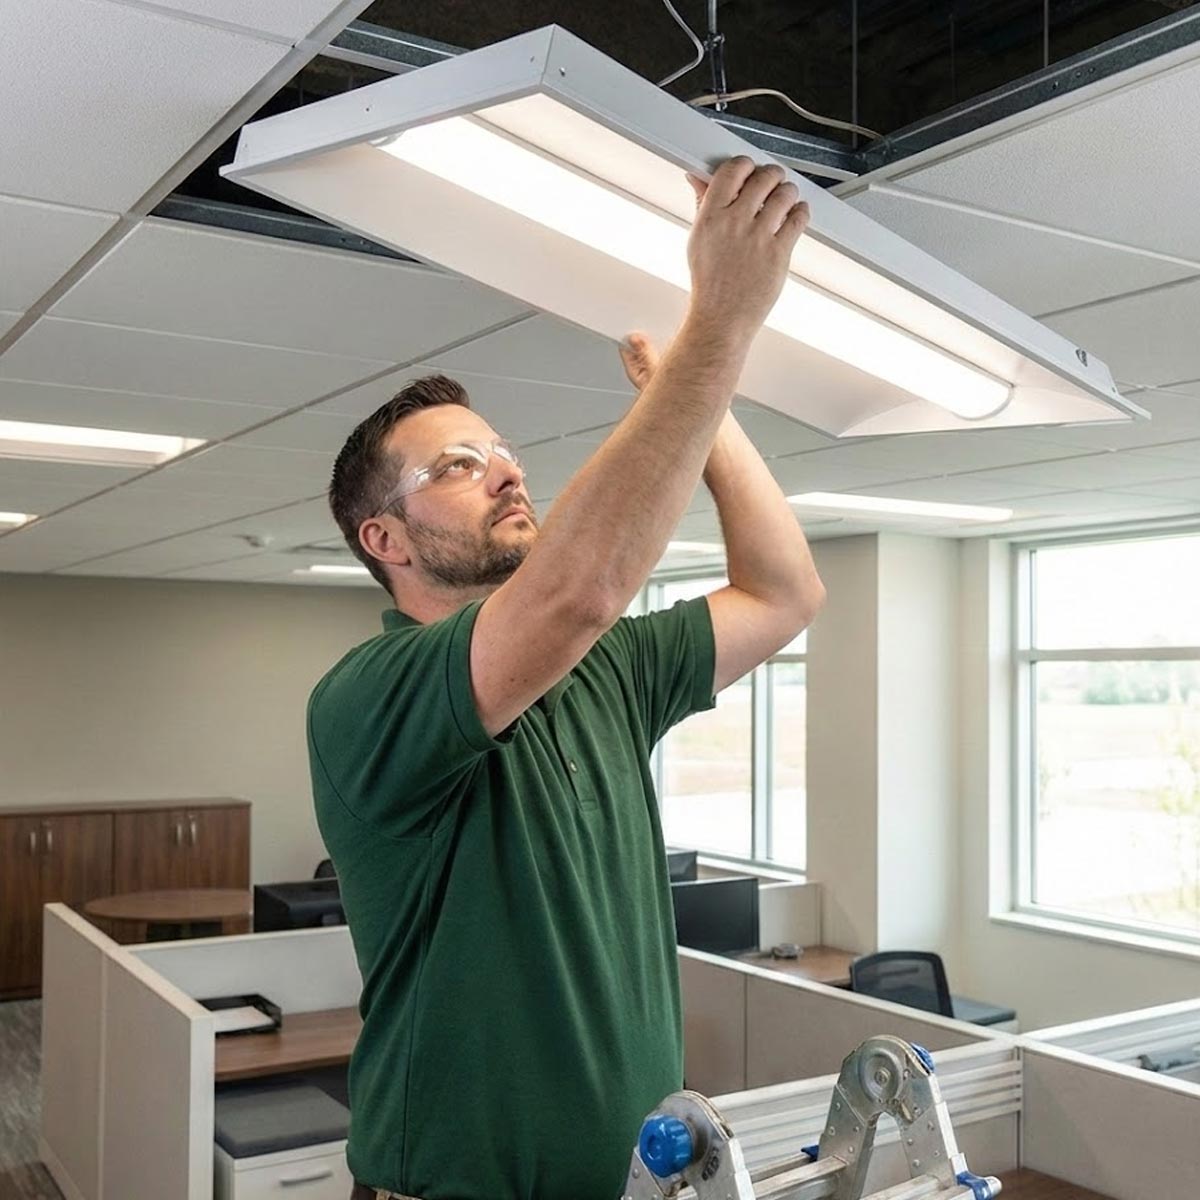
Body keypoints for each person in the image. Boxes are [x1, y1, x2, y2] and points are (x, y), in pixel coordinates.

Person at [309, 157, 827, 1200]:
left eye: (498, 448)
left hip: (635, 1182)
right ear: (385, 539)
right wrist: (721, 324)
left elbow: (782, 593)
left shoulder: (608, 670)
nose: (507, 468)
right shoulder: (366, 697)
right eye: (454, 466)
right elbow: (576, 589)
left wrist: (706, 397)